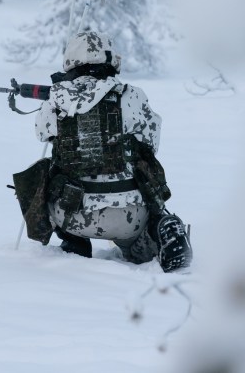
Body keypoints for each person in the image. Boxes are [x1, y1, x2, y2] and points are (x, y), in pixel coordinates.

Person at [11, 30, 192, 272]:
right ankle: (153, 238)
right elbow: (151, 145)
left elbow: (42, 133)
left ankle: (74, 243)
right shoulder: (133, 95)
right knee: (137, 243)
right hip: (130, 215)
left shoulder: (57, 99)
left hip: (73, 214)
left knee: (43, 171)